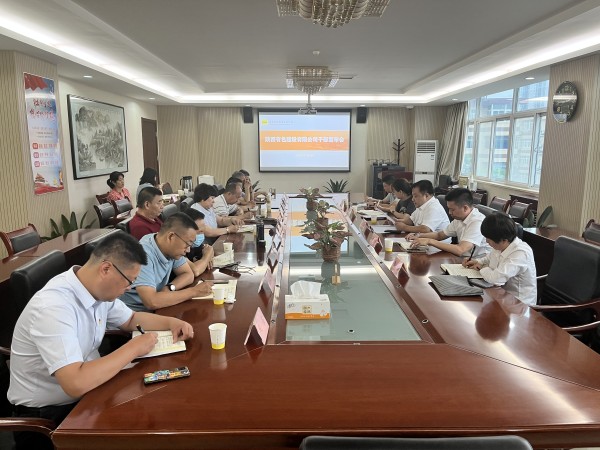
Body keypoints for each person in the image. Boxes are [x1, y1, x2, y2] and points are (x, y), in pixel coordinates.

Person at [8, 232, 194, 450]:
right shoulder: (53, 307)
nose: (129, 289)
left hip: (92, 393)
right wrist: (133, 348)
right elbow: (75, 383)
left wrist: (171, 322)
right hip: (51, 418)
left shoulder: (95, 290)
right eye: (129, 282)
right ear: (106, 269)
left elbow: (130, 319)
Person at [120, 213, 213, 312]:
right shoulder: (143, 255)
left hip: (160, 306)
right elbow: (151, 301)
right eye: (187, 244)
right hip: (135, 314)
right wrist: (194, 291)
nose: (188, 250)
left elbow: (188, 274)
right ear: (171, 237)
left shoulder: (167, 246)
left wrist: (169, 287)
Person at [463, 213, 537, 305]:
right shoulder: (500, 245)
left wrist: (482, 268)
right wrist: (478, 262)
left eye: (489, 239)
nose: (486, 241)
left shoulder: (520, 253)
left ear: (504, 240)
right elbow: (489, 258)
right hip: (500, 295)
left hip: (518, 304)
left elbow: (496, 279)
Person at [407, 188, 490, 257]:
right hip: (464, 259)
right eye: (449, 209)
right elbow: (440, 235)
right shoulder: (459, 218)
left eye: (452, 209)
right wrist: (419, 235)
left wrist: (429, 241)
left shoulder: (477, 221)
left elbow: (460, 250)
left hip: (478, 262)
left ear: (465, 208)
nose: (449, 213)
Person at [182, 208, 214, 277]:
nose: (202, 235)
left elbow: (208, 249)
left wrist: (208, 255)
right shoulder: (179, 246)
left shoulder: (194, 245)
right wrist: (206, 257)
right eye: (200, 232)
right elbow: (195, 271)